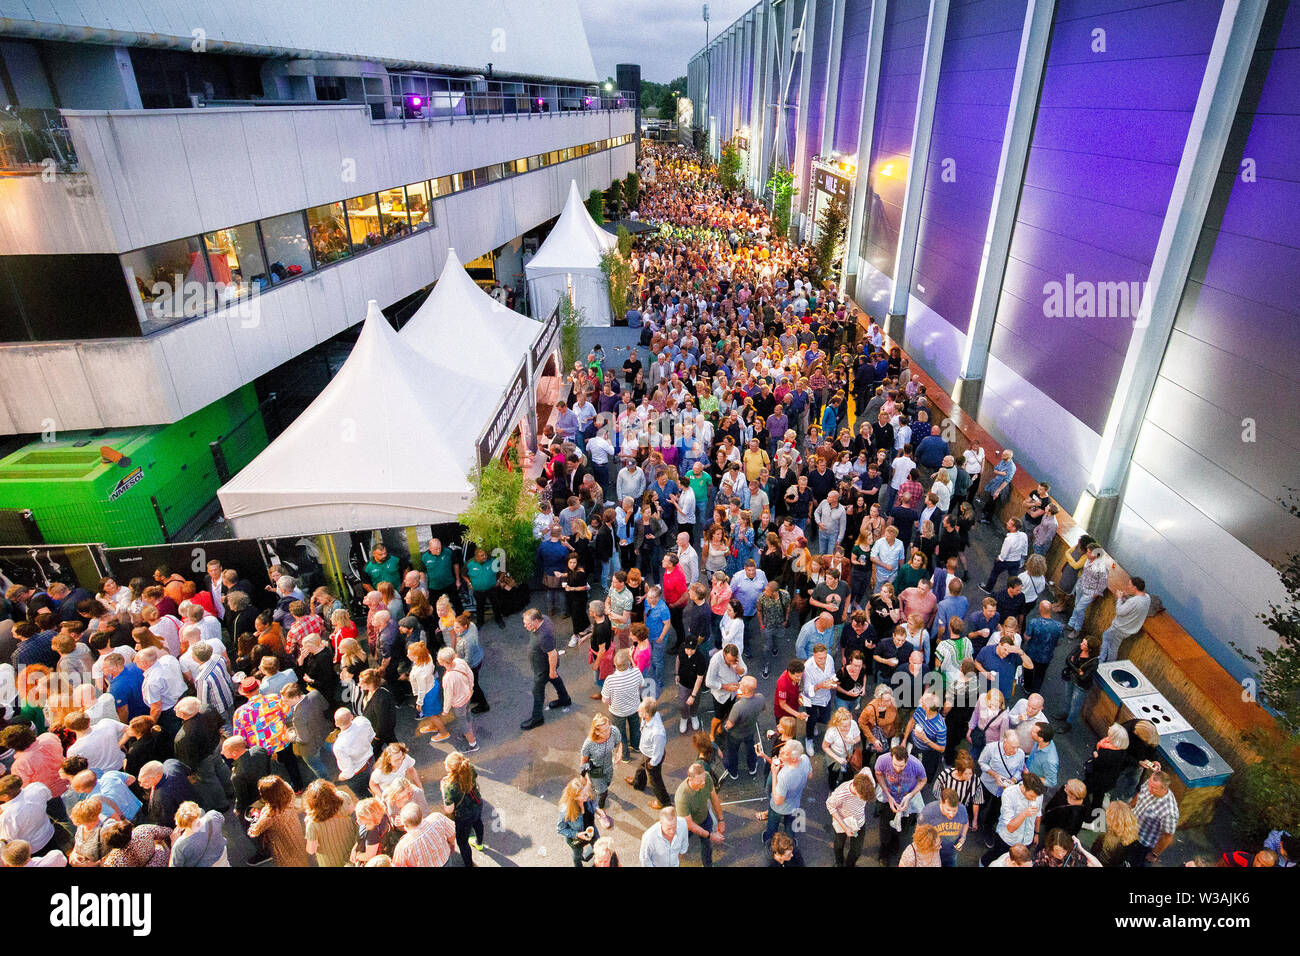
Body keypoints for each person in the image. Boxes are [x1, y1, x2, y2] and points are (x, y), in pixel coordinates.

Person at [520, 609, 572, 730]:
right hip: (544, 665)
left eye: (527, 623)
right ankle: (565, 699)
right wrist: (552, 673)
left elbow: (552, 654)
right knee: (555, 679)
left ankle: (537, 718)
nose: (525, 625)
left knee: (537, 692)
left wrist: (552, 670)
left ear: (537, 620)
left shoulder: (544, 636)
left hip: (543, 668)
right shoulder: (544, 619)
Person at [980, 772, 1044, 867]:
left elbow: (1038, 814)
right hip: (1008, 839)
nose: (1034, 800)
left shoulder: (1038, 794)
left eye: (1036, 797)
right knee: (995, 856)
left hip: (1026, 839)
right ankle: (982, 864)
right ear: (1024, 788)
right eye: (1031, 797)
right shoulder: (1009, 794)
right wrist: (1024, 813)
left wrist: (1036, 833)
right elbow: (1010, 828)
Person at [247, 775, 309, 867]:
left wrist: (255, 815)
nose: (260, 794)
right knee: (301, 858)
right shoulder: (289, 795)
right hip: (296, 834)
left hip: (283, 846)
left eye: (261, 791)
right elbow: (284, 784)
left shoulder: (270, 815)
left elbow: (254, 831)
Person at [674, 761, 725, 867]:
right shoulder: (682, 797)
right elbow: (690, 824)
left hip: (704, 818)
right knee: (678, 847)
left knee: (707, 846)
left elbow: (714, 797)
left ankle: (707, 865)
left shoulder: (706, 777)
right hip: (687, 825)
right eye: (699, 781)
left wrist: (721, 819)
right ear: (690, 779)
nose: (703, 783)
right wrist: (711, 836)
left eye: (704, 780)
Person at [440, 750, 486, 867]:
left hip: (463, 815)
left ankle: (469, 864)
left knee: (462, 842)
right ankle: (479, 843)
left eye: (446, 765)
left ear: (452, 769)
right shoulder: (470, 768)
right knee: (478, 822)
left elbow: (449, 809)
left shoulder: (449, 786)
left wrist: (442, 789)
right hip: (476, 803)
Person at [762, 738, 811, 844]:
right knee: (790, 826)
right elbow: (810, 775)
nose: (781, 753)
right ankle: (791, 843)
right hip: (795, 803)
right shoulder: (805, 759)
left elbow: (778, 801)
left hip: (779, 808)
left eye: (784, 753)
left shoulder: (784, 775)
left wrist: (774, 773)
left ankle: (769, 841)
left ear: (793, 758)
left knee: (772, 825)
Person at [626, 698, 672, 808]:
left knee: (655, 780)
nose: (638, 710)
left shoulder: (657, 733)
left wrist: (652, 763)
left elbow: (658, 751)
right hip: (646, 752)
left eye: (641, 710)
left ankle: (663, 802)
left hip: (652, 757)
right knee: (641, 768)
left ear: (646, 714)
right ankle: (638, 783)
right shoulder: (652, 716)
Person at [1129, 770, 1179, 866]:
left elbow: (1168, 837)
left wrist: (1154, 854)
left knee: (1133, 862)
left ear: (1164, 789)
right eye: (1149, 785)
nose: (1149, 789)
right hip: (1130, 828)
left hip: (1142, 841)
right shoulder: (1150, 783)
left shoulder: (1170, 812)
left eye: (1154, 788)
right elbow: (1140, 794)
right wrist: (1129, 806)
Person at [1054, 633, 1101, 733]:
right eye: (1082, 642)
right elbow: (1067, 660)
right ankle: (1065, 713)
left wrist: (1073, 666)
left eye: (1084, 644)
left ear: (1090, 649)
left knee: (1075, 706)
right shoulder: (1078, 648)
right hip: (1072, 678)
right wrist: (1078, 670)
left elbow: (1083, 677)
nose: (1081, 644)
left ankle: (1069, 723)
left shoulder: (1093, 662)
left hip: (1081, 686)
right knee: (1068, 697)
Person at [825, 770, 873, 867]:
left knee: (857, 851)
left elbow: (867, 768)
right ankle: (839, 862)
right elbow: (830, 805)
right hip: (843, 823)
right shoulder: (841, 793)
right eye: (862, 797)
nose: (863, 799)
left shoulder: (867, 779)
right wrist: (845, 827)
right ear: (855, 788)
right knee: (839, 845)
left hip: (859, 823)